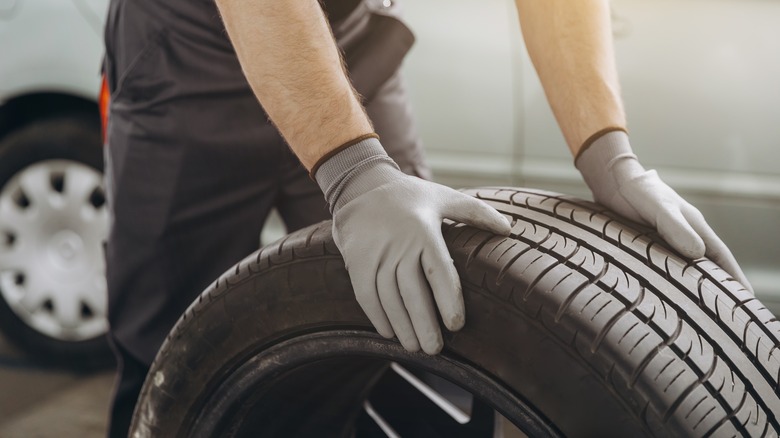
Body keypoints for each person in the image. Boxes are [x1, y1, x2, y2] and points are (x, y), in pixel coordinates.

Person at [102, 0, 753, 436]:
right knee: (170, 359)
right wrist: (354, 171)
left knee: (419, 306)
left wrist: (608, 152)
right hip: (188, 51)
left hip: (346, 37)